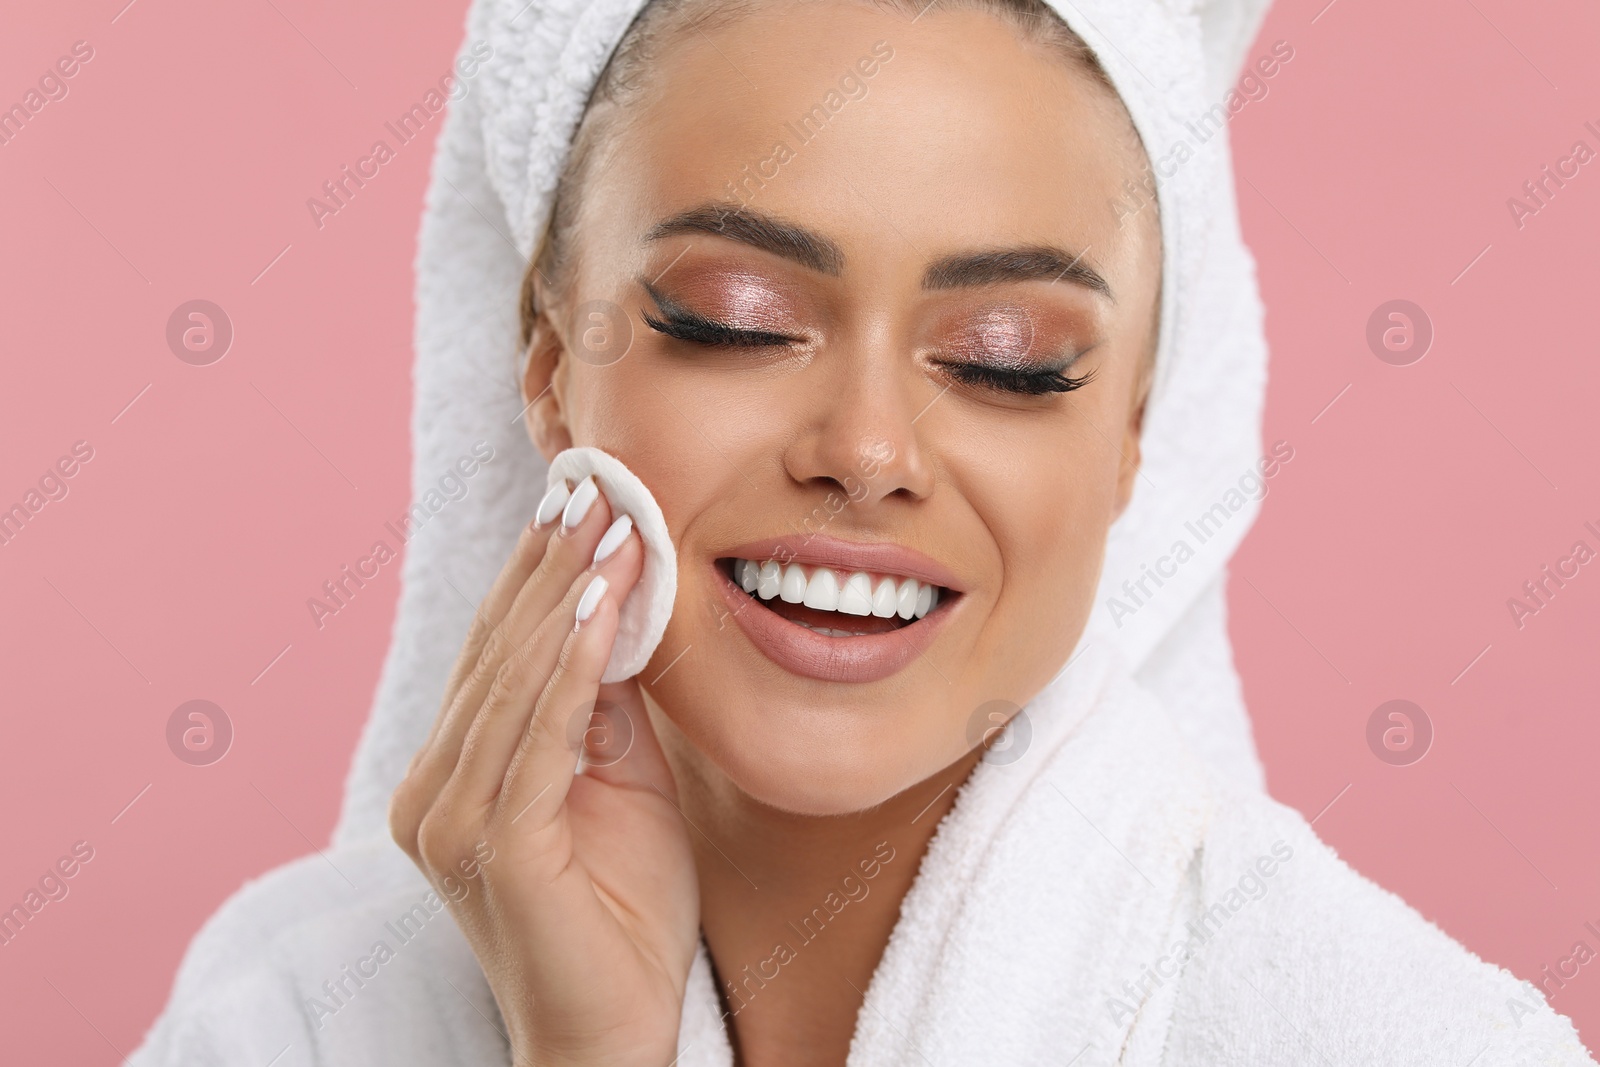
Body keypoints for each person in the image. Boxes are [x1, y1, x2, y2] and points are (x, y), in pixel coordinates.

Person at [129, 1, 1596, 1064]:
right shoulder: (295, 1021)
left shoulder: (1396, 1041)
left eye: (1011, 358)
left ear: (1137, 430)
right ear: (544, 364)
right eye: (736, 322)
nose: (870, 451)